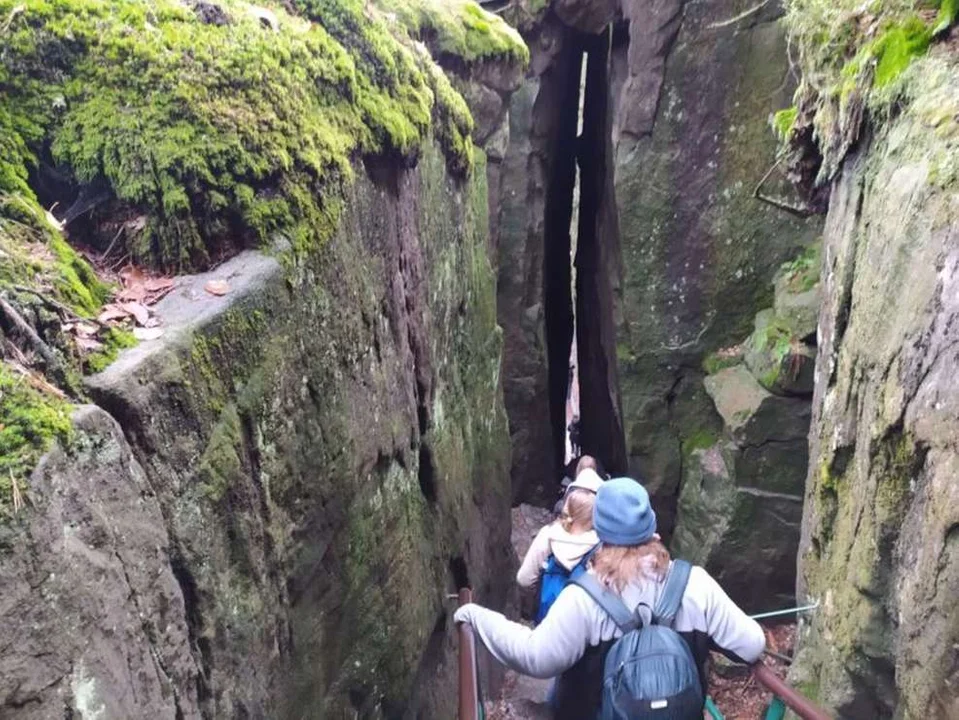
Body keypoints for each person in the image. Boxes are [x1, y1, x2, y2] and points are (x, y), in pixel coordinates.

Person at [456, 477, 765, 720]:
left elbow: (535, 658)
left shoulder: (583, 599)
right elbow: (752, 645)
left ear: (600, 531)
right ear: (652, 528)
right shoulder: (695, 585)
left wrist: (477, 617)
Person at [518, 468, 603, 622]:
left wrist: (539, 592)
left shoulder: (548, 535)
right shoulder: (601, 544)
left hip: (548, 622)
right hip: (583, 626)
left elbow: (524, 579)